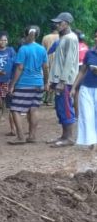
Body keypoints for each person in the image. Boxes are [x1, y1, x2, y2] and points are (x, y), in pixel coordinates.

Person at [9, 25, 50, 144]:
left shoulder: (23, 49)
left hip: (24, 83)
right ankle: (32, 136)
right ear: (37, 35)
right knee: (34, 109)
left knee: (15, 109)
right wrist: (46, 81)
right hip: (38, 83)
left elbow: (19, 68)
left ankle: (20, 137)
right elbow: (46, 67)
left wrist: (12, 85)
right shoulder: (42, 49)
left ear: (25, 34)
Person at [47, 12, 80, 147]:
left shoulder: (71, 38)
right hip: (58, 78)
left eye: (59, 23)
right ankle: (63, 136)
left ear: (66, 23)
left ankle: (69, 138)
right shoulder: (63, 37)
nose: (57, 25)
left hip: (65, 81)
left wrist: (62, 81)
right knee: (60, 107)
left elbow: (69, 61)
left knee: (66, 107)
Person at [72, 28, 97, 148]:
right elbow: (82, 71)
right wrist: (74, 87)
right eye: (96, 36)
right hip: (86, 87)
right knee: (87, 115)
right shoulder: (89, 52)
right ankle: (90, 140)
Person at [42, 22, 60, 106]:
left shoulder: (46, 37)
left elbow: (43, 50)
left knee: (47, 77)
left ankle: (45, 97)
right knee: (55, 78)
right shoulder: (60, 37)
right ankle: (50, 99)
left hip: (47, 58)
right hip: (58, 58)